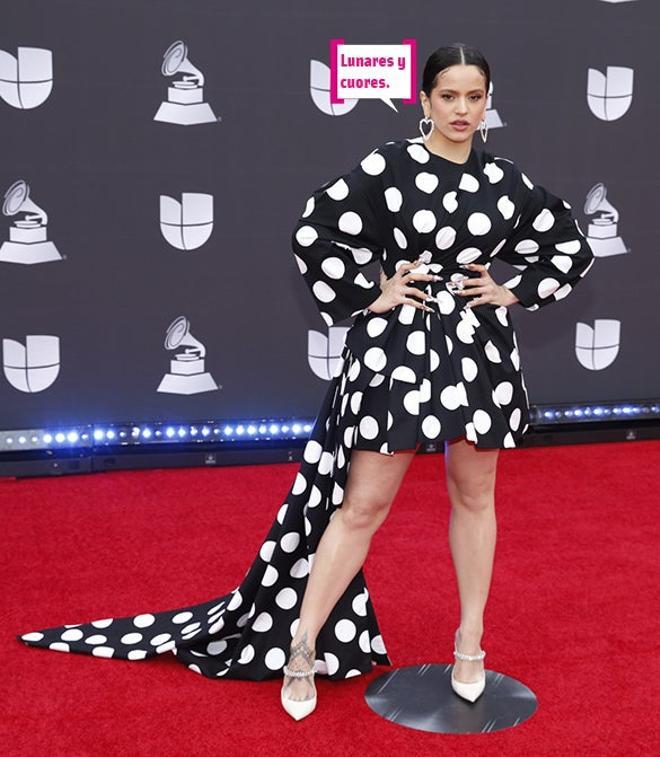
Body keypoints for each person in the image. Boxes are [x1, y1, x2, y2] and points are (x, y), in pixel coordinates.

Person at [17, 43, 595, 723]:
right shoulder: (390, 166)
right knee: (362, 506)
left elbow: (569, 242)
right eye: (449, 96)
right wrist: (370, 291)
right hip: (399, 352)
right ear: (425, 100)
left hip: (478, 352)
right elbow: (314, 228)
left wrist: (510, 286)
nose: (462, 110)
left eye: (474, 96)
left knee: (476, 496)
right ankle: (302, 644)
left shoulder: (507, 180)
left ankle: (470, 640)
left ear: (488, 100)